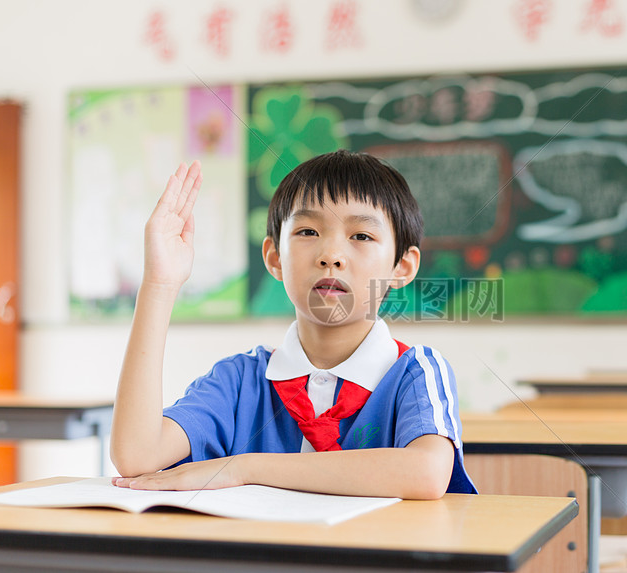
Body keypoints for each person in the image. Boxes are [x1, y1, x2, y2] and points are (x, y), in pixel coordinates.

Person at [109, 150, 476, 498]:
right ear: (274, 257)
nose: (331, 256)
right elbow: (136, 456)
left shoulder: (415, 372)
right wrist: (159, 284)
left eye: (361, 236)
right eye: (307, 232)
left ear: (403, 267)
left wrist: (244, 469)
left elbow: (427, 473)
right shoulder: (241, 381)